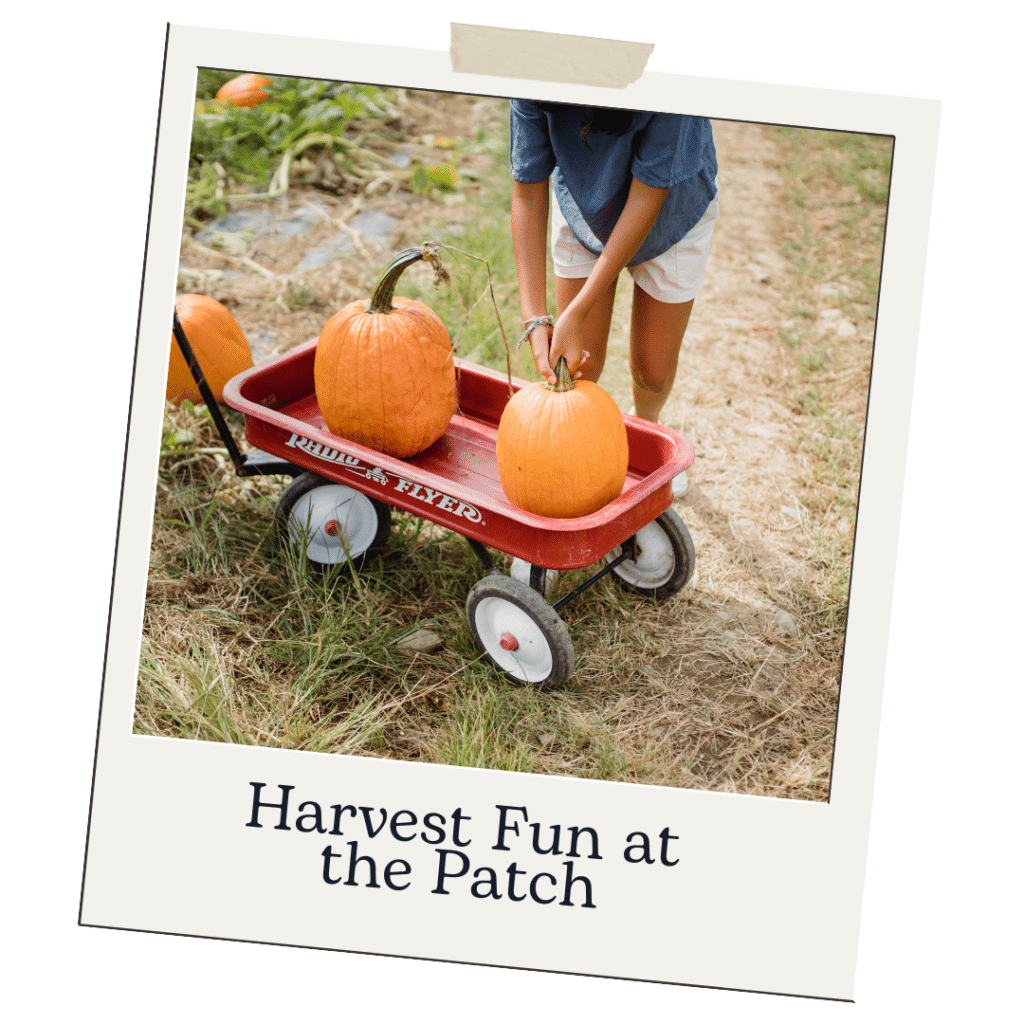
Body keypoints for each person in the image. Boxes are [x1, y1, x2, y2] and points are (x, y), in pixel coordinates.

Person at [509, 100, 719, 497]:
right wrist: (536, 318)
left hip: (670, 214)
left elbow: (647, 198)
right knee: (580, 363)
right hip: (584, 213)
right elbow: (527, 192)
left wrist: (578, 308)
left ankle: (647, 431)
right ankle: (574, 465)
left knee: (652, 368)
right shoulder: (532, 78)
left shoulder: (668, 86)